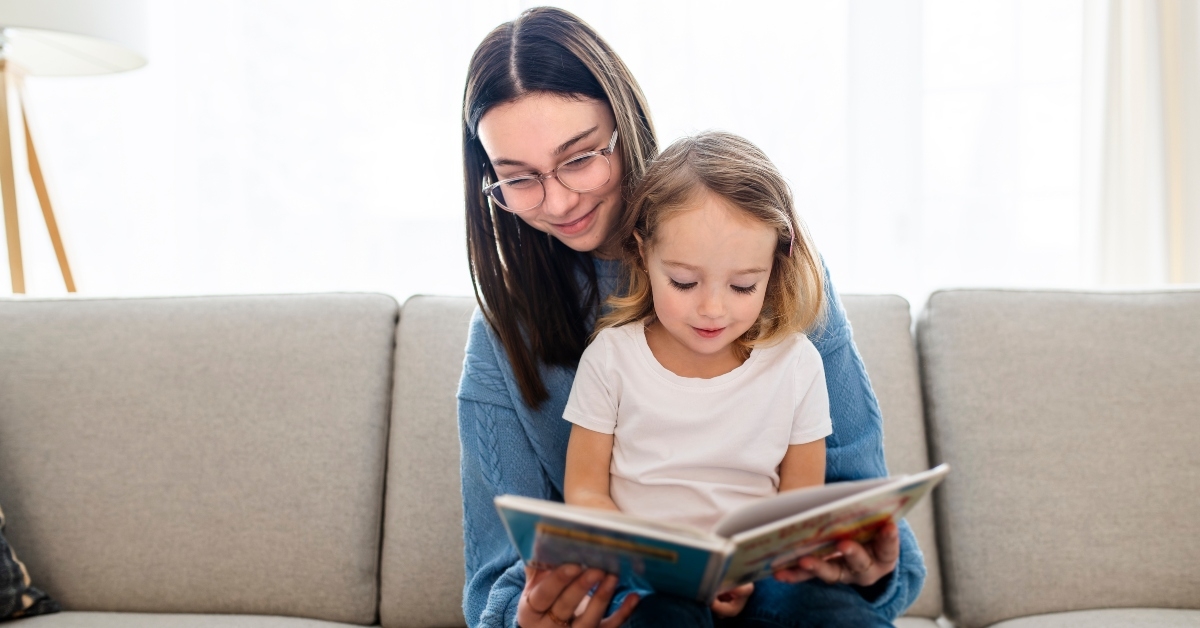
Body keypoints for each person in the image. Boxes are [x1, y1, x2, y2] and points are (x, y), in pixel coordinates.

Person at [457, 7, 925, 628]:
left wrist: (866, 567)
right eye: (519, 179)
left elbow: (868, 530)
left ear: (625, 124)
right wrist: (531, 616)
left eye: (579, 158)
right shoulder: (505, 337)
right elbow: (493, 586)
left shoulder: (774, 285)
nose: (561, 199)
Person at [562, 131, 832, 621]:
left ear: (775, 264)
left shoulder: (795, 364)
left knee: (831, 608)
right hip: (651, 583)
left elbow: (799, 507)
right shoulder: (612, 358)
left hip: (760, 580)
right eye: (684, 282)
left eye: (743, 285)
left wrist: (757, 572)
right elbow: (584, 492)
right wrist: (662, 566)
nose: (712, 309)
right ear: (643, 252)